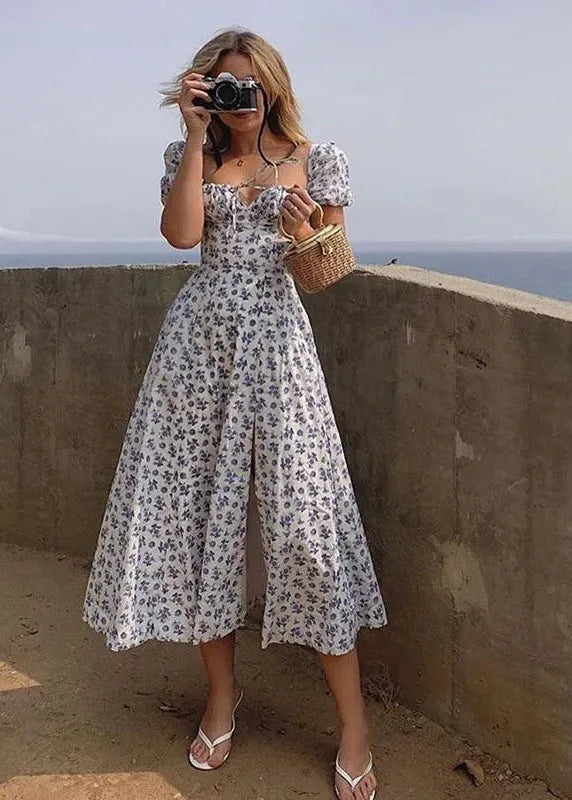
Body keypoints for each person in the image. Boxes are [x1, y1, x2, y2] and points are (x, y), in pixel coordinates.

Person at [82, 28, 388, 800]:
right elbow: (184, 235)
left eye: (248, 86)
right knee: (193, 526)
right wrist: (192, 140)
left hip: (279, 352)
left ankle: (353, 723)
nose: (238, 100)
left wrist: (303, 229)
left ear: (274, 86)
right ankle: (222, 697)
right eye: (223, 86)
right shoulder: (193, 156)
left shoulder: (319, 159)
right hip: (197, 353)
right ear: (201, 91)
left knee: (305, 532)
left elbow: (326, 274)